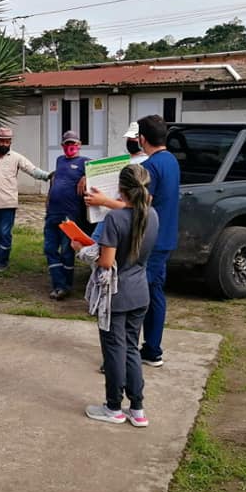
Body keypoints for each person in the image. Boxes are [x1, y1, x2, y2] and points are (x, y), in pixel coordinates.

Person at [84, 115, 179, 368]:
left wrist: (103, 201)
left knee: (132, 301)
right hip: (165, 236)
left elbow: (139, 208)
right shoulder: (171, 161)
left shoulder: (151, 166)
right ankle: (152, 350)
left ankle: (123, 357)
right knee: (155, 294)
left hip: (148, 241)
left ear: (142, 139)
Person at [72, 164, 159, 427]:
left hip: (116, 296)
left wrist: (81, 249)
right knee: (131, 348)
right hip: (140, 292)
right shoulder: (152, 215)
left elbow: (106, 262)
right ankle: (137, 409)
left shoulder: (114, 219)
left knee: (114, 351)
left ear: (120, 188)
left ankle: (113, 407)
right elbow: (132, 217)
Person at [0, 127, 53, 272]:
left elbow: (32, 170)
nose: (5, 144)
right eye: (2, 141)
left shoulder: (16, 157)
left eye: (7, 141)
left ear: (10, 142)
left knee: (4, 233)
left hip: (8, 203)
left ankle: (3, 262)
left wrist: (48, 176)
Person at [43, 130, 89, 300]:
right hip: (52, 213)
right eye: (67, 143)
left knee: (67, 251)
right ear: (62, 145)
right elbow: (56, 179)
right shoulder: (59, 160)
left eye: (73, 143)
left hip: (69, 215)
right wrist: (48, 198)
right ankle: (59, 284)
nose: (70, 146)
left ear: (79, 145)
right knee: (49, 249)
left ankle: (64, 286)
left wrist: (87, 176)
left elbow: (102, 173)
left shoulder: (86, 162)